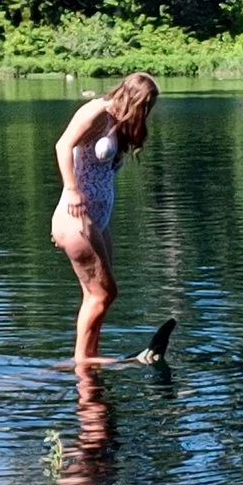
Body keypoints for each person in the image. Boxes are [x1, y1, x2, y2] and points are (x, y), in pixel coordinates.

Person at [50, 72, 158, 367]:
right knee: (104, 292)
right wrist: (71, 192)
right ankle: (82, 360)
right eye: (146, 104)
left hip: (98, 219)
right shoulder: (97, 112)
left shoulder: (119, 122)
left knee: (100, 295)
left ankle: (89, 355)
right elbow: (63, 146)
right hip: (78, 217)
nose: (147, 112)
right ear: (134, 97)